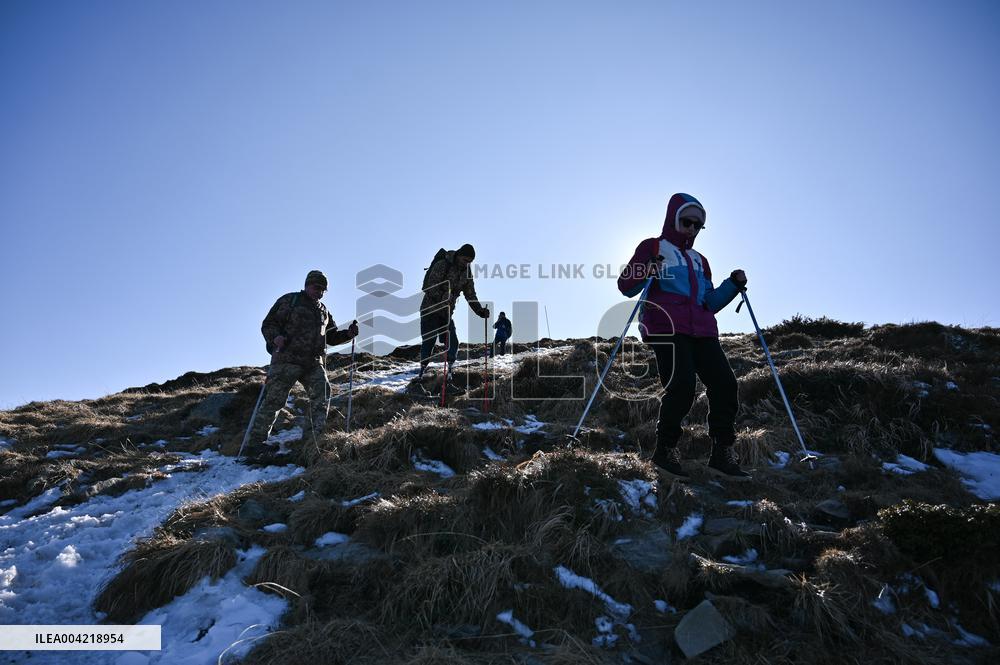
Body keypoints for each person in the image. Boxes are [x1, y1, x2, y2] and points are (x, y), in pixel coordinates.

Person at [617, 193, 749, 479]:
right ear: (673, 219)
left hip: (702, 329)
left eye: (698, 225)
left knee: (725, 384)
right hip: (665, 326)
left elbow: (710, 302)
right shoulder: (653, 247)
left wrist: (732, 285)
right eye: (686, 222)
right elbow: (626, 285)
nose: (692, 229)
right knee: (682, 385)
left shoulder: (700, 260)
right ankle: (664, 450)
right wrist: (647, 268)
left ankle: (722, 453)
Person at [243, 270, 359, 461]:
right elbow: (268, 324)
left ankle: (312, 442)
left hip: (313, 362)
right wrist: (275, 338)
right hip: (286, 359)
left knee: (322, 394)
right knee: (274, 400)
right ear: (307, 285)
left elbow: (331, 336)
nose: (319, 292)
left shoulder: (323, 311)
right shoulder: (290, 300)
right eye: (316, 287)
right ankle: (255, 444)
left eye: (323, 290)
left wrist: (348, 334)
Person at [419, 244, 489, 380]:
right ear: (458, 255)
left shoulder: (466, 273)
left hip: (446, 313)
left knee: (452, 341)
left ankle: (450, 369)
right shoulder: (443, 265)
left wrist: (479, 311)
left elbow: (470, 294)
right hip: (430, 310)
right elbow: (430, 286)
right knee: (429, 340)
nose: (466, 264)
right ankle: (422, 371)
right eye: (465, 260)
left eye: (470, 262)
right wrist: (444, 297)